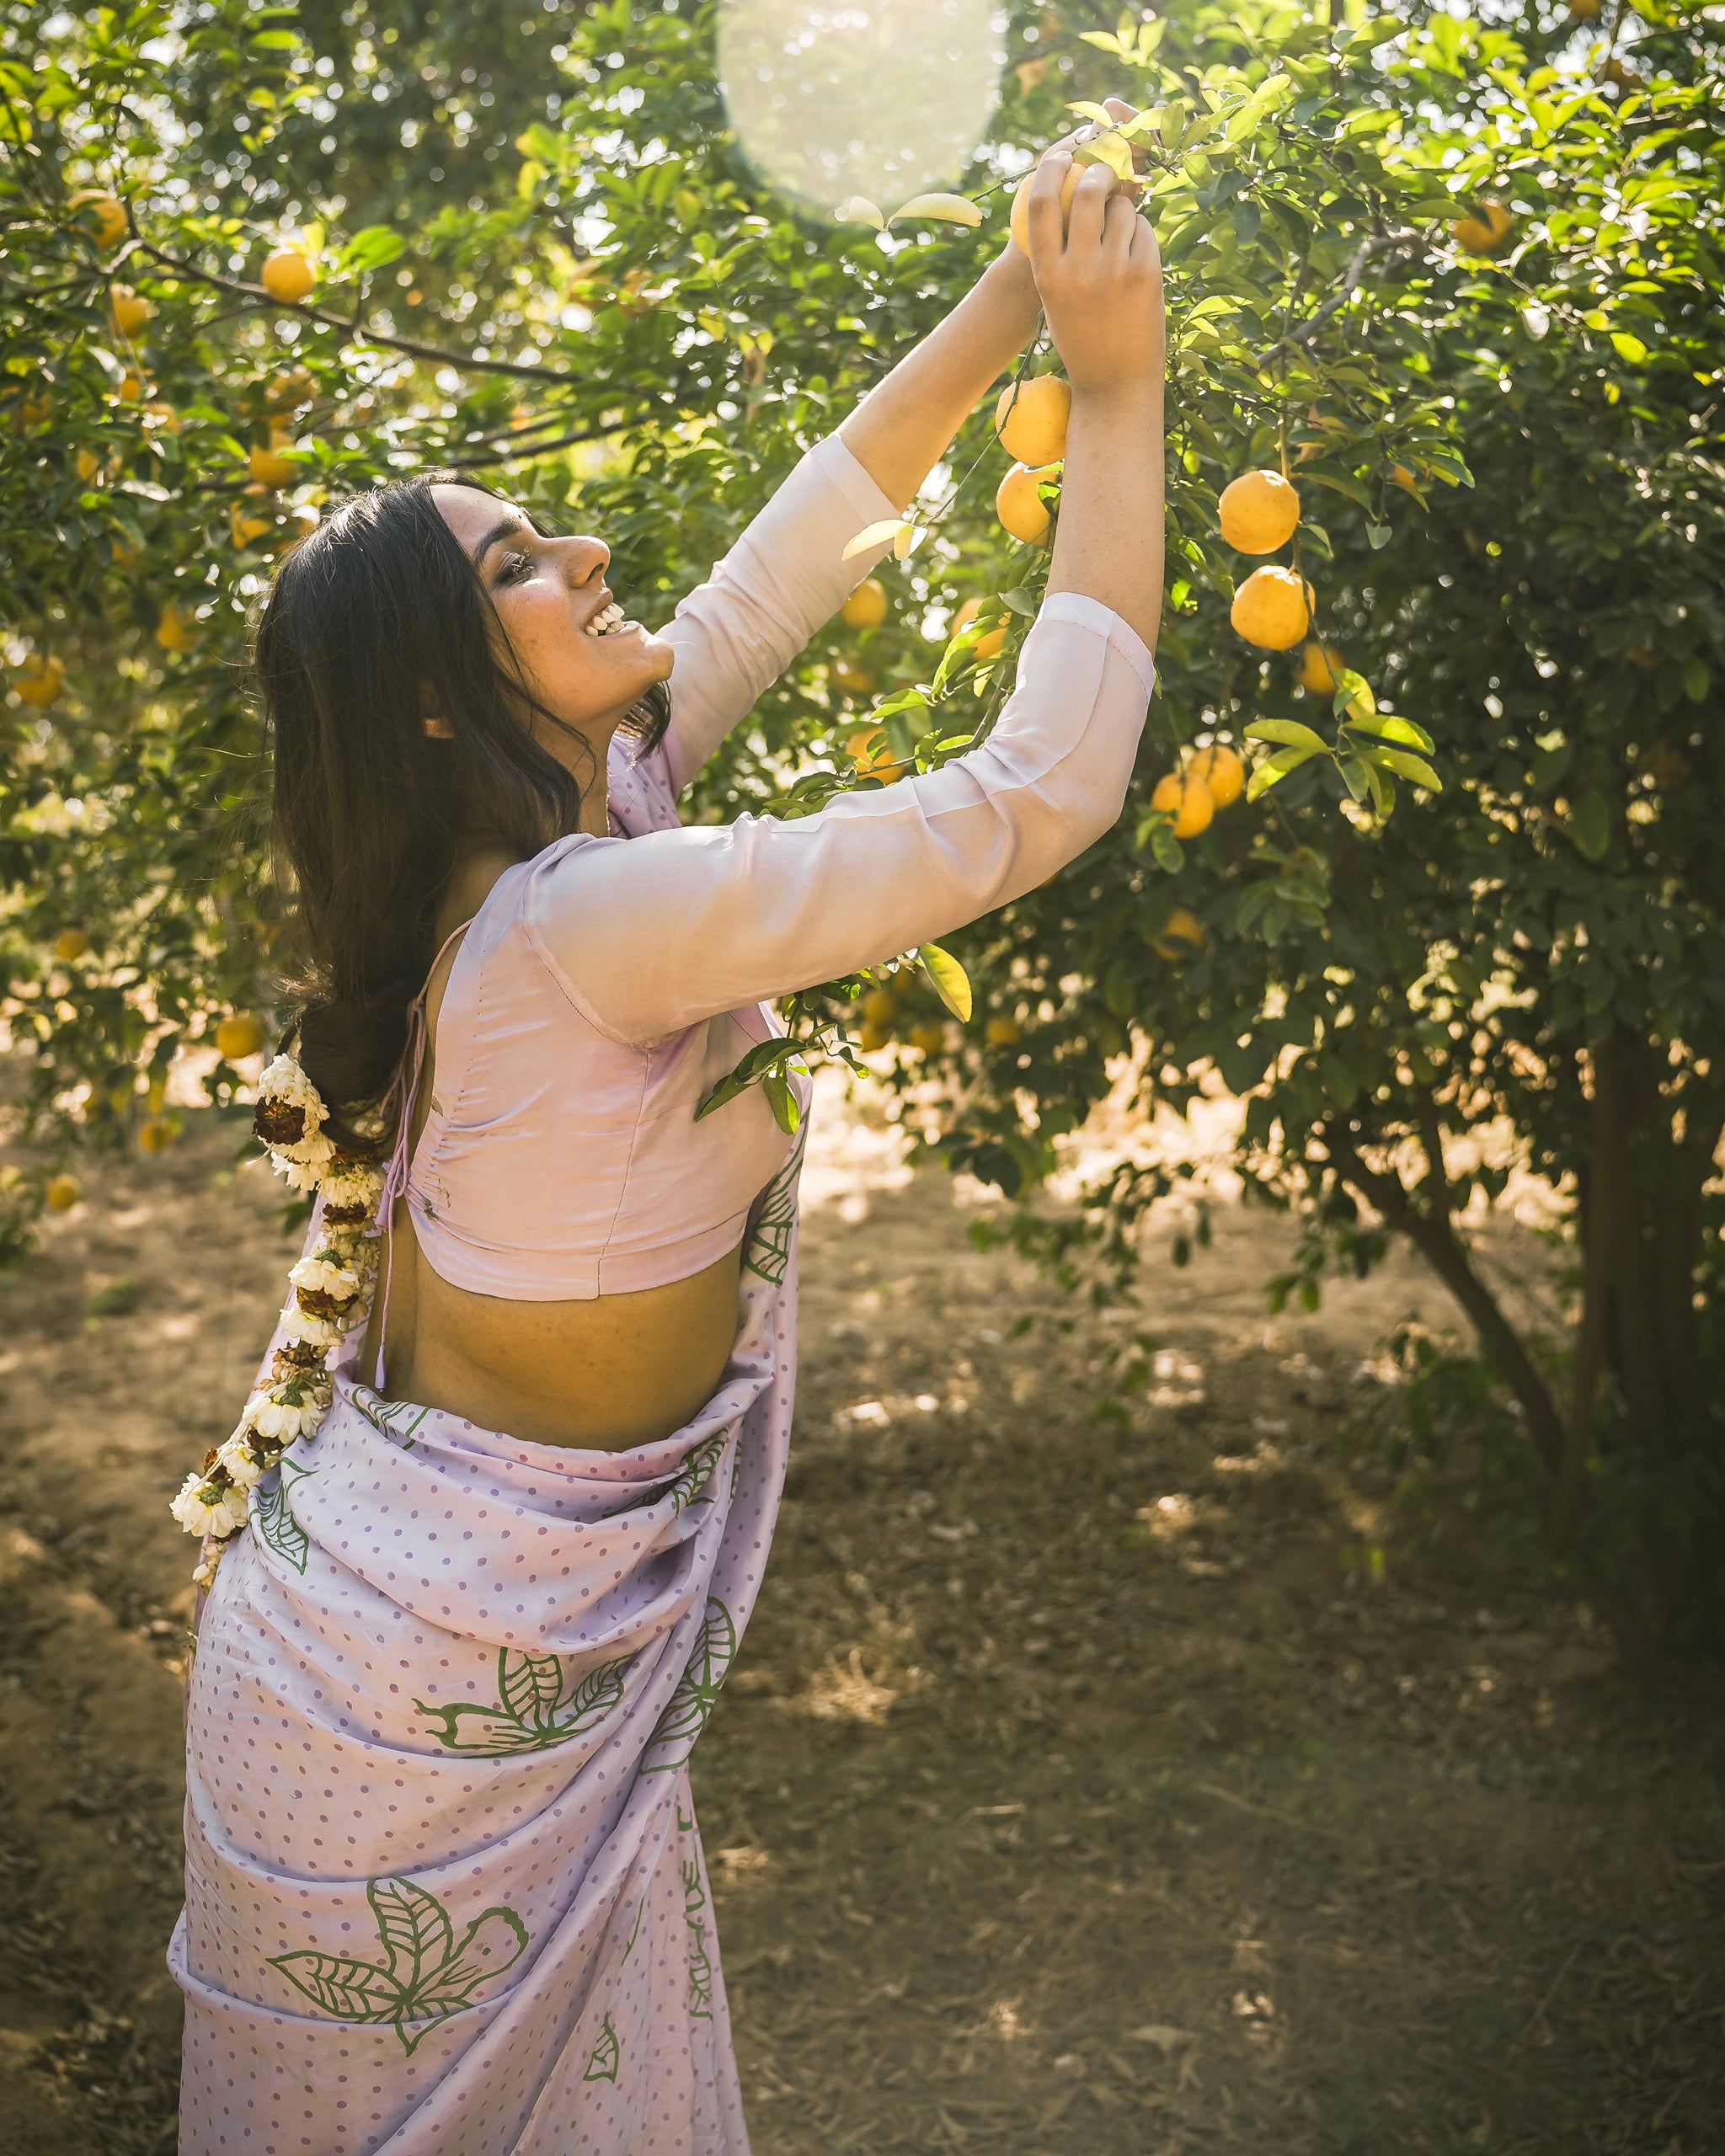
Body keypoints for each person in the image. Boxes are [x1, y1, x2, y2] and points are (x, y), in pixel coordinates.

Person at [168, 141, 1164, 2154]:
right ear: (440, 701)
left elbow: (797, 551)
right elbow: (1036, 789)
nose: (586, 562)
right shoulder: (579, 922)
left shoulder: (577, 828)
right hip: (407, 1696)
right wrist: (1124, 395)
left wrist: (1012, 307)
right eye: (515, 569)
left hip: (426, 1651)